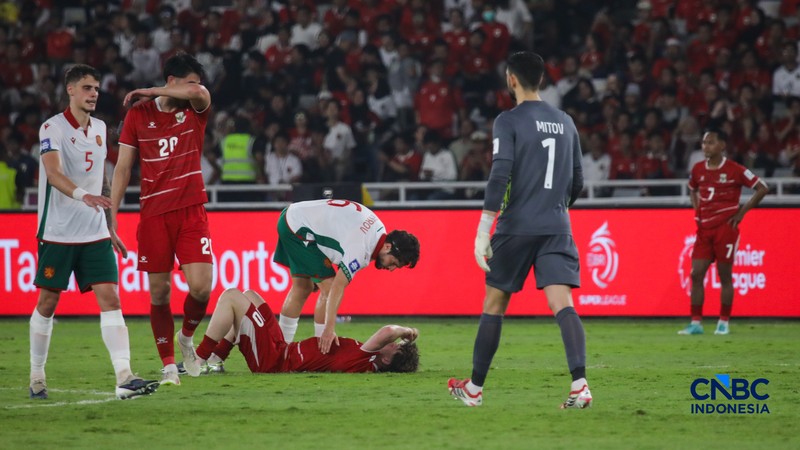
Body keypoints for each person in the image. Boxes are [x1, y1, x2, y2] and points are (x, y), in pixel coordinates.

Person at [447, 52, 590, 409]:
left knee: (494, 304)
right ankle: (580, 386)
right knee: (563, 305)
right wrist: (553, 209)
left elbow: (500, 174)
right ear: (540, 79)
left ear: (511, 79)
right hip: (557, 226)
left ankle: (475, 390)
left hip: (516, 226)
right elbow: (578, 182)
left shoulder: (507, 120)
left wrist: (483, 229)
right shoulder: (566, 121)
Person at [30, 64, 158, 400]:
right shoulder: (52, 128)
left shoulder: (100, 128)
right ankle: (37, 375)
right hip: (58, 231)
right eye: (87, 88)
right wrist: (83, 196)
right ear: (70, 90)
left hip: (94, 231)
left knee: (111, 298)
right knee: (48, 302)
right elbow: (54, 174)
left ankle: (124, 376)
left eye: (97, 89)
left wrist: (110, 222)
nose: (93, 94)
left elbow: (100, 178)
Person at [111, 52, 213, 385]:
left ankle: (186, 337)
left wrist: (153, 91)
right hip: (154, 213)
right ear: (173, 80)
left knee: (201, 287)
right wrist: (111, 215)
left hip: (191, 208)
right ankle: (169, 364)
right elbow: (124, 168)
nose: (196, 88)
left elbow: (200, 94)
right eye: (190, 81)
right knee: (159, 294)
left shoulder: (195, 109)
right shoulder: (138, 116)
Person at [274, 199, 420, 354]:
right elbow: (337, 286)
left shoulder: (378, 230)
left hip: (293, 217)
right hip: (298, 228)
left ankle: (280, 350)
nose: (391, 269)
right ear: (388, 246)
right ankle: (321, 353)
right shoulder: (362, 247)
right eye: (395, 263)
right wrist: (329, 329)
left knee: (302, 288)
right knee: (328, 288)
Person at [192, 288, 420, 374]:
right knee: (250, 296)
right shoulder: (367, 359)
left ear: (388, 361)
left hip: (272, 361)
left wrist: (407, 330)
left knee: (232, 297)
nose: (394, 342)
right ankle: (216, 361)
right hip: (282, 350)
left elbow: (389, 330)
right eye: (397, 343)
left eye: (396, 347)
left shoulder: (365, 359)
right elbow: (388, 334)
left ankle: (199, 360)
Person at [679, 129, 768, 336]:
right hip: (703, 229)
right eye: (703, 143)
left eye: (710, 142)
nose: (705, 147)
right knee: (696, 273)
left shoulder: (735, 169)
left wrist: (741, 213)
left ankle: (723, 322)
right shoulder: (698, 169)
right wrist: (697, 210)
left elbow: (762, 188)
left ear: (722, 146)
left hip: (725, 229)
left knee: (724, 276)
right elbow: (692, 188)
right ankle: (696, 323)